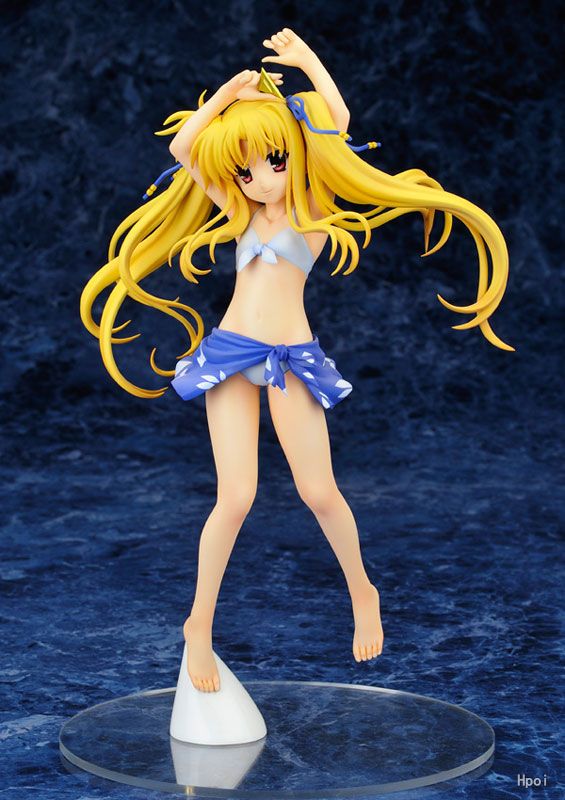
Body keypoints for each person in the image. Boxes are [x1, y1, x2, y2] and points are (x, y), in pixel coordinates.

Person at [80, 28, 513, 693]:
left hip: (292, 357)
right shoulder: (235, 207)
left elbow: (334, 122)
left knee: (318, 491)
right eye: (245, 170)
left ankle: (362, 590)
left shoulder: (312, 209)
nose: (260, 180)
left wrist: (307, 61)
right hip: (231, 353)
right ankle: (198, 625)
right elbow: (183, 149)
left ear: (294, 156)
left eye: (273, 162)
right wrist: (227, 95)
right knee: (234, 497)